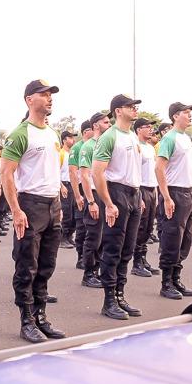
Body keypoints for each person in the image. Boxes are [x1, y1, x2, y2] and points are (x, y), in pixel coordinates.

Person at [0, 80, 66, 343]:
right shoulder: (20, 133)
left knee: (46, 265)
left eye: (51, 95)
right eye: (44, 95)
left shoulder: (52, 133)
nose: (49, 99)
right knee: (27, 266)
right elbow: (6, 173)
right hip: (30, 205)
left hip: (52, 205)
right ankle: (26, 320)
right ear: (29, 99)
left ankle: (41, 316)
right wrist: (16, 210)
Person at [92, 94, 144, 320]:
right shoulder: (109, 136)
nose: (134, 109)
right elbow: (97, 173)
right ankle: (109, 300)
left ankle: (121, 295)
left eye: (134, 106)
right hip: (117, 193)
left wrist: (138, 194)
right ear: (117, 111)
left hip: (133, 194)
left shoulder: (132, 135)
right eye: (129, 106)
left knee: (127, 249)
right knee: (113, 248)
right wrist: (109, 203)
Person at [154, 102, 192, 299]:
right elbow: (159, 168)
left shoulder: (186, 138)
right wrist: (166, 197)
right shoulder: (169, 139)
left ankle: (176, 278)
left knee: (186, 239)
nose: (189, 116)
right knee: (172, 238)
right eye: (186, 113)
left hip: (188, 192)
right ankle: (166, 283)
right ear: (175, 116)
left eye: (190, 113)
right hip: (175, 193)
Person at [78, 110, 110, 289]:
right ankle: (89, 273)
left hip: (106, 194)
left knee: (105, 236)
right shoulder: (88, 146)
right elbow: (83, 175)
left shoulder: (106, 144)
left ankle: (99, 270)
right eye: (106, 122)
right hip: (93, 194)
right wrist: (90, 201)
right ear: (96, 125)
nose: (109, 125)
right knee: (94, 236)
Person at [132, 118, 159, 278]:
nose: (150, 129)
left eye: (151, 127)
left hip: (152, 189)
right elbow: (134, 171)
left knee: (149, 227)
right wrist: (139, 196)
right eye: (146, 127)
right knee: (140, 228)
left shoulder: (150, 147)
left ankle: (143, 259)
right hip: (141, 189)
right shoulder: (137, 147)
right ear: (138, 130)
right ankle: (136, 263)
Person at [69, 121, 92, 267]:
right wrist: (77, 196)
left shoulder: (97, 145)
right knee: (81, 225)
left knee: (93, 226)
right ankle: (80, 257)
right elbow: (72, 172)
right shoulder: (77, 148)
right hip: (81, 188)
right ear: (86, 131)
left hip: (93, 188)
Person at [58, 130, 77, 250]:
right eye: (70, 138)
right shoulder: (60, 153)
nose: (73, 140)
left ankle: (69, 235)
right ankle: (62, 238)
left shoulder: (72, 153)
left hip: (72, 185)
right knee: (66, 213)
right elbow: (55, 170)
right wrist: (61, 186)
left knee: (74, 213)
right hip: (64, 184)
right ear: (64, 140)